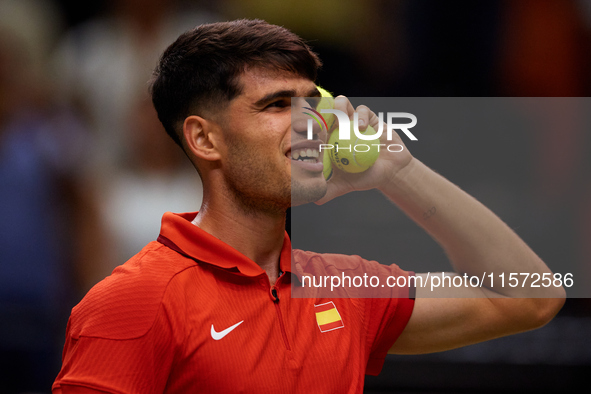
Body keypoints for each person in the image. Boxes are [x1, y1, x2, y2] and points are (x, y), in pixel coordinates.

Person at [52, 19, 565, 393]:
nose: (309, 124)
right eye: (276, 105)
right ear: (205, 139)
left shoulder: (342, 287)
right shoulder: (132, 301)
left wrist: (400, 173)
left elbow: (529, 298)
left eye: (310, 103)